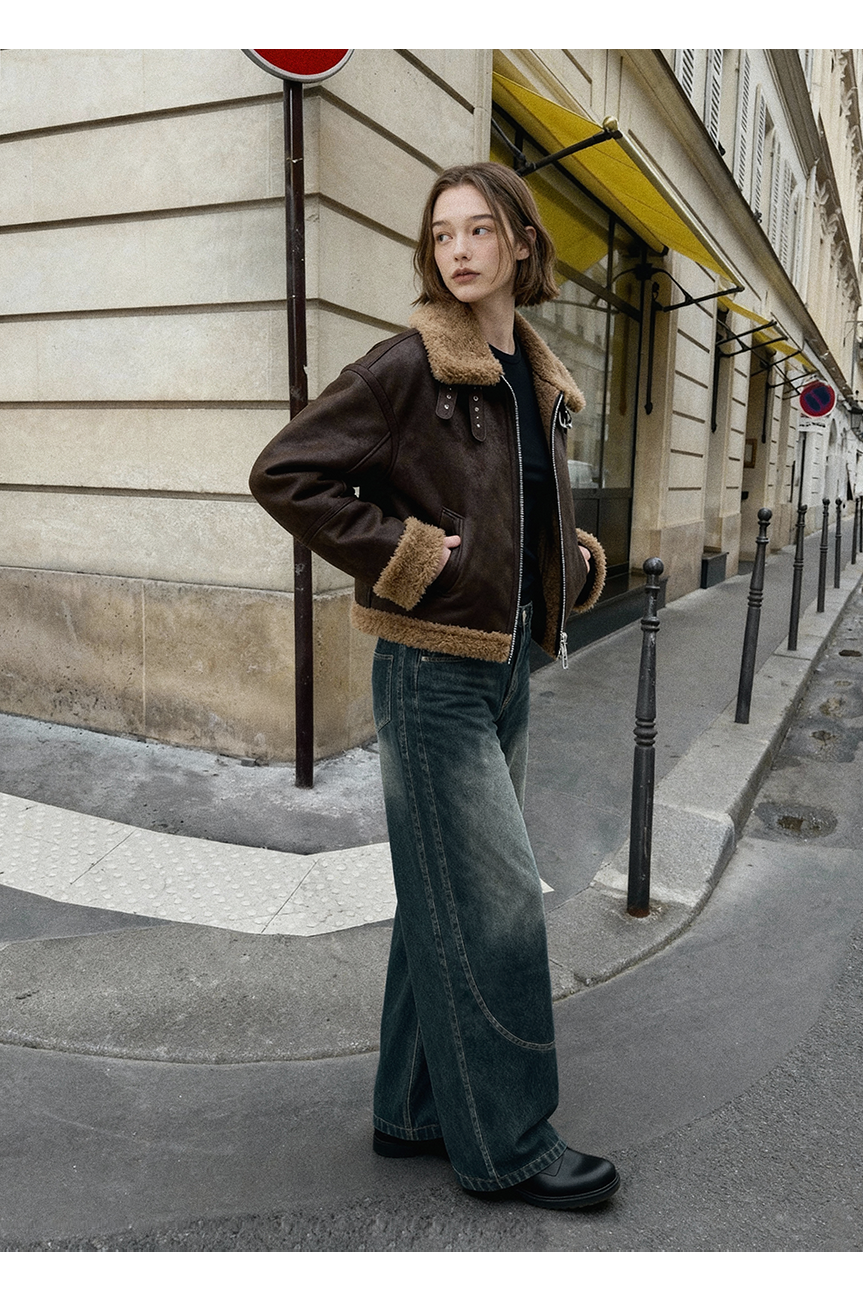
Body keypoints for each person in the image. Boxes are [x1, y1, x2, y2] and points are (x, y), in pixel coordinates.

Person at [249, 161, 619, 1209]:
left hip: (504, 668)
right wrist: (408, 556)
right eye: (442, 233)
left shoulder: (533, 378)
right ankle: (510, 1142)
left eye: (479, 229)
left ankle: (409, 1109)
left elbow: (511, 506)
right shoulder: (408, 365)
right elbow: (286, 473)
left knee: (440, 898)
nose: (458, 249)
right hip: (429, 675)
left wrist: (566, 568)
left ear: (521, 244)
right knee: (498, 908)